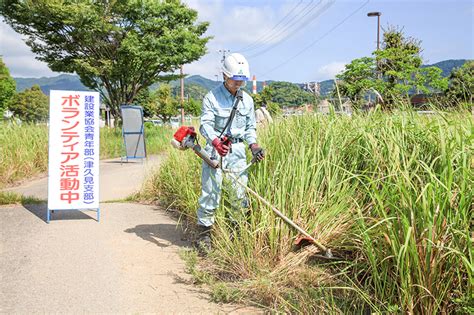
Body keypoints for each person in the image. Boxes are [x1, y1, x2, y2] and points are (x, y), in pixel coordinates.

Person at [196, 52, 265, 253]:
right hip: (215, 151)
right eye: (235, 80)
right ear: (225, 76)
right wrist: (216, 142)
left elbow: (250, 128)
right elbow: (205, 125)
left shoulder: (248, 101)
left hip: (238, 152)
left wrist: (254, 146)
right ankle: (204, 236)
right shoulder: (212, 98)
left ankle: (235, 235)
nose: (238, 84)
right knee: (211, 193)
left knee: (238, 194)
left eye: (241, 81)